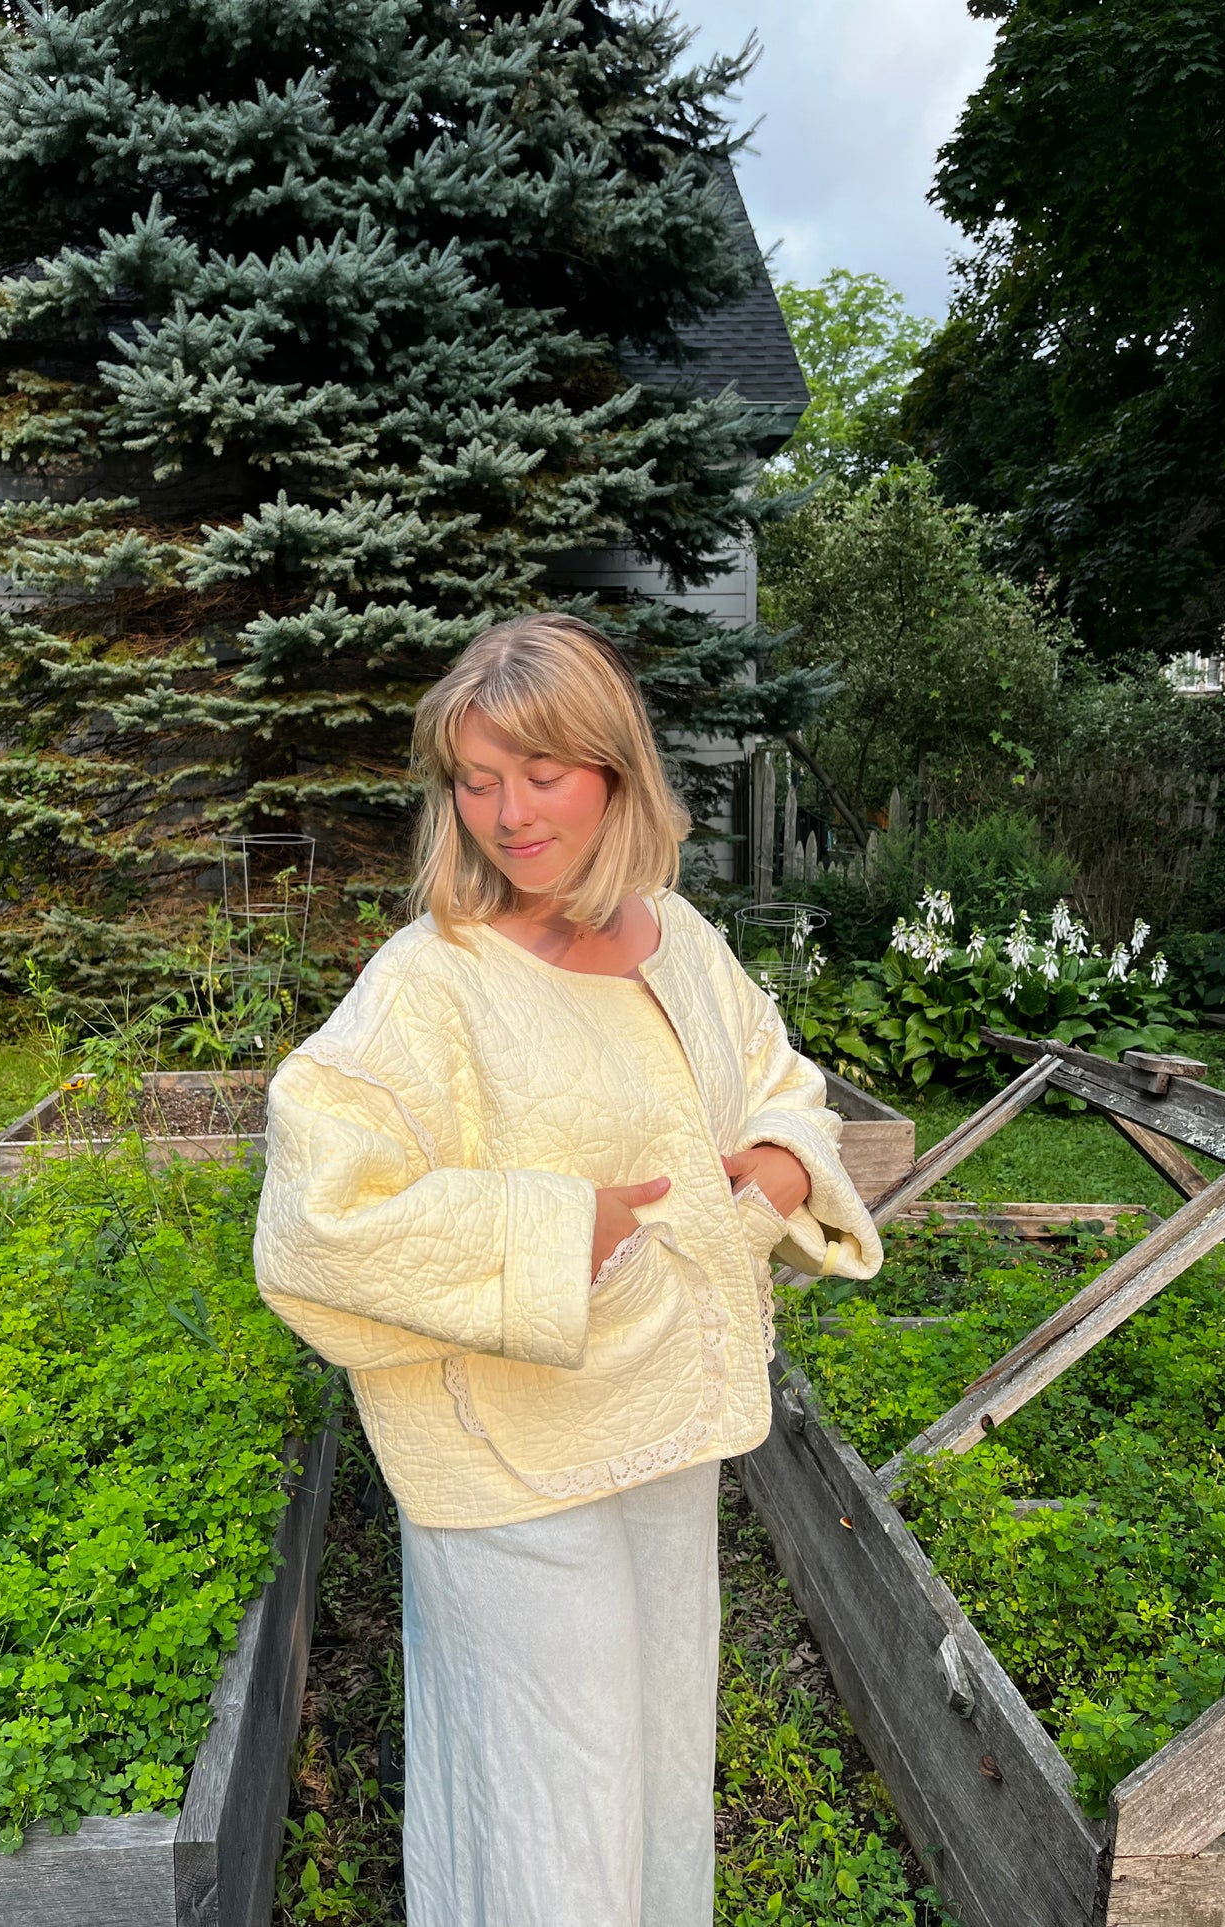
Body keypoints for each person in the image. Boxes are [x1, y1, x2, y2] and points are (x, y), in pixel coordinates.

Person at [253, 614, 881, 1927]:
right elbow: (318, 1210)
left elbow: (781, 1086)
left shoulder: (677, 938)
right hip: (509, 1452)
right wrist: (551, 1233)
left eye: (537, 774)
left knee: (649, 1765)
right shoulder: (431, 981)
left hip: (662, 1423)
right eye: (475, 780)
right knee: (549, 1792)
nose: (506, 813)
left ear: (610, 770)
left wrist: (772, 1174)